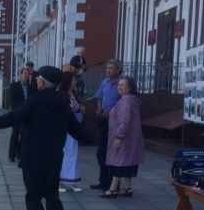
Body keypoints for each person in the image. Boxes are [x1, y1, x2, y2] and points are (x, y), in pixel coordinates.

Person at [0, 66, 91, 210]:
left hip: (32, 159)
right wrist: (91, 139)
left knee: (33, 198)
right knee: (52, 196)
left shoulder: (34, 101)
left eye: (38, 79)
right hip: (53, 159)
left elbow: (14, 117)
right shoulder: (63, 103)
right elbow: (75, 129)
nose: (36, 81)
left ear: (42, 83)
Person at [101, 77, 144, 198]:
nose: (119, 87)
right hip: (129, 137)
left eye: (123, 85)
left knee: (118, 161)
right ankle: (127, 188)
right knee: (125, 161)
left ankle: (113, 189)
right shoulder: (129, 100)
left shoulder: (126, 101)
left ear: (129, 88)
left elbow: (124, 121)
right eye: (118, 85)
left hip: (124, 138)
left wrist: (119, 136)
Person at [91, 59, 122, 190]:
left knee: (112, 152)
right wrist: (99, 108)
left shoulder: (121, 83)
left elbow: (124, 103)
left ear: (118, 70)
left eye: (111, 68)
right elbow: (99, 97)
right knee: (101, 151)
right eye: (107, 68)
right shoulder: (105, 82)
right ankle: (103, 180)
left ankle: (113, 183)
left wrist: (110, 112)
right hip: (103, 120)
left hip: (115, 121)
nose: (107, 70)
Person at [59, 71, 85, 192]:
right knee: (65, 154)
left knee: (73, 154)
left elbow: (77, 108)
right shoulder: (62, 95)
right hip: (65, 129)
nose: (75, 82)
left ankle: (71, 180)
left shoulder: (74, 94)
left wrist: (81, 109)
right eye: (74, 80)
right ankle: (60, 182)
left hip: (74, 127)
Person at [8, 67, 34, 162]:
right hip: (17, 113)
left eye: (28, 74)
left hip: (27, 115)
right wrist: (21, 109)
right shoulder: (14, 86)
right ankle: (12, 155)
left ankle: (20, 153)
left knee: (24, 135)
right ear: (20, 75)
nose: (26, 75)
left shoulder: (30, 87)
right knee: (15, 134)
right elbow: (12, 100)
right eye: (24, 73)